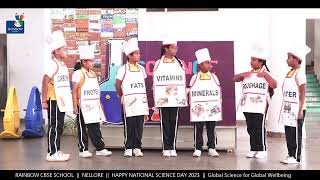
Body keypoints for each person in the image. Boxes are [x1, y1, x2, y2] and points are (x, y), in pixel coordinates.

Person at [233, 43, 277, 159]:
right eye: (251, 60)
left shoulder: (266, 73)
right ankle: (253, 148)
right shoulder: (249, 73)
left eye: (254, 60)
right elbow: (234, 78)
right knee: (250, 127)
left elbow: (275, 84)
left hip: (260, 105)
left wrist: (265, 76)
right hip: (247, 105)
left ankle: (262, 149)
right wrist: (243, 74)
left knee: (259, 126)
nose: (251, 62)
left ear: (261, 62)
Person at [72, 45, 112, 158]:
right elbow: (74, 91)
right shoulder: (78, 74)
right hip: (82, 106)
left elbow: (95, 91)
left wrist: (100, 105)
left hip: (94, 106)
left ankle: (100, 148)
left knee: (95, 126)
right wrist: (75, 105)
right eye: (90, 61)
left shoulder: (93, 73)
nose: (92, 63)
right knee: (82, 127)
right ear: (84, 62)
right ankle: (83, 149)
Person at [42, 30, 73, 162]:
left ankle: (56, 149)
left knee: (59, 126)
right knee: (54, 126)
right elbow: (45, 80)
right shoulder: (53, 64)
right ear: (56, 51)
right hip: (53, 100)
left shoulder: (61, 64)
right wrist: (44, 101)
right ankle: (52, 153)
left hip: (61, 101)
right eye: (63, 49)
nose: (66, 50)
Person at [153, 38, 187, 157]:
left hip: (175, 98)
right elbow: (156, 80)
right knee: (165, 122)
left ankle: (172, 146)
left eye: (176, 48)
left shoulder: (179, 63)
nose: (175, 50)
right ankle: (165, 147)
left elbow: (182, 79)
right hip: (163, 98)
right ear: (166, 49)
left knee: (174, 122)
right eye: (172, 48)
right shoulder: (158, 63)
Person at [115, 38, 149, 157]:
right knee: (129, 124)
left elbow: (143, 84)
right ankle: (128, 147)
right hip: (128, 102)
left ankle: (137, 147)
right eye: (137, 53)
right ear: (129, 56)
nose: (139, 55)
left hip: (140, 102)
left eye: (139, 53)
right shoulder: (123, 69)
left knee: (139, 124)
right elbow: (117, 84)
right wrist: (122, 96)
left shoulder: (141, 69)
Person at [279, 44, 310, 164]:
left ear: (296, 59)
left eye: (289, 57)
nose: (287, 59)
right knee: (289, 131)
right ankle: (290, 154)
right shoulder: (290, 72)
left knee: (296, 132)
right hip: (288, 108)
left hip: (297, 108)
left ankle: (296, 157)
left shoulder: (299, 74)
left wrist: (300, 110)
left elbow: (303, 91)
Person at [189, 48, 221, 157]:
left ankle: (212, 147)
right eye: (207, 63)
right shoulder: (194, 77)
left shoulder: (214, 77)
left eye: (210, 63)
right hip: (198, 108)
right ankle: (198, 148)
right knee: (198, 127)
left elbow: (218, 90)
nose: (210, 65)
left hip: (211, 108)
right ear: (200, 65)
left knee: (211, 127)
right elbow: (190, 90)